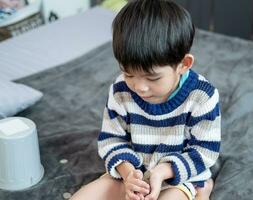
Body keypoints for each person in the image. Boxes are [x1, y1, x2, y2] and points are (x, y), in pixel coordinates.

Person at [70, 0, 220, 200]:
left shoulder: (202, 96)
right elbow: (111, 140)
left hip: (177, 178)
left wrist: (161, 172)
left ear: (183, 64)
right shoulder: (120, 91)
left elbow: (204, 152)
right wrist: (128, 174)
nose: (139, 87)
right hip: (133, 174)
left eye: (152, 78)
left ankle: (202, 189)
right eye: (128, 74)